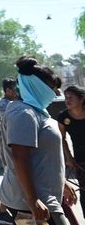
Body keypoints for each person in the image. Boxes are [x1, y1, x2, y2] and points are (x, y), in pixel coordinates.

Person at [0, 56, 76, 225]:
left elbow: (42, 157)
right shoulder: (23, 113)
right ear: (36, 86)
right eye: (50, 88)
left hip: (46, 198)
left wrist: (61, 181)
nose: (54, 93)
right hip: (33, 203)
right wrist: (32, 199)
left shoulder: (38, 112)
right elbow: (20, 157)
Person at [57, 85, 85, 219]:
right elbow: (61, 138)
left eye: (71, 98)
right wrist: (68, 157)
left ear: (81, 99)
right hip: (80, 161)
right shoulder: (63, 117)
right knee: (84, 191)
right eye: (65, 98)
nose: (67, 101)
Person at [0, 77, 19, 224]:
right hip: (6, 146)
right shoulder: (4, 104)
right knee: (10, 176)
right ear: (8, 91)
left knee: (10, 177)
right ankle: (2, 211)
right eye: (15, 90)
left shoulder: (9, 103)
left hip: (8, 146)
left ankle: (3, 211)